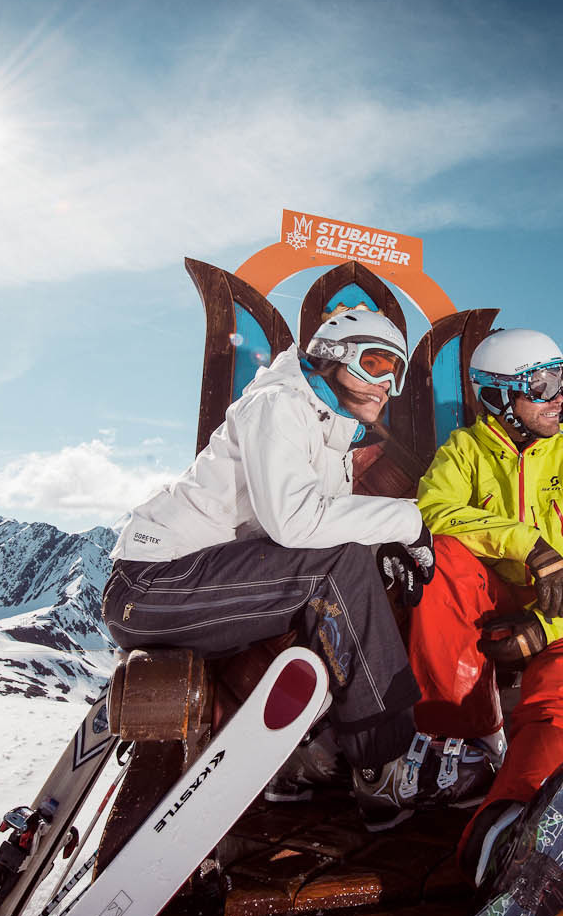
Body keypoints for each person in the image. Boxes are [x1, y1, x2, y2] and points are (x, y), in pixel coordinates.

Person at [103, 309, 491, 831]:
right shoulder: (279, 403)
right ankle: (388, 762)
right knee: (338, 565)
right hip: (154, 587)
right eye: (375, 364)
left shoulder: (327, 432)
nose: (387, 385)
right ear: (332, 354)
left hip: (199, 585)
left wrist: (381, 546)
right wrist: (404, 521)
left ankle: (305, 758)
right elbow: (295, 524)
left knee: (348, 565)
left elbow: (316, 533)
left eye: (395, 374)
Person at [409, 328, 563, 916]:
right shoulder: (463, 454)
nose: (558, 398)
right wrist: (524, 543)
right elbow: (436, 511)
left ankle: (505, 834)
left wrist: (545, 627)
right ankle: (452, 745)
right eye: (541, 386)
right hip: (490, 602)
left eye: (562, 380)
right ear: (496, 397)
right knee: (445, 558)